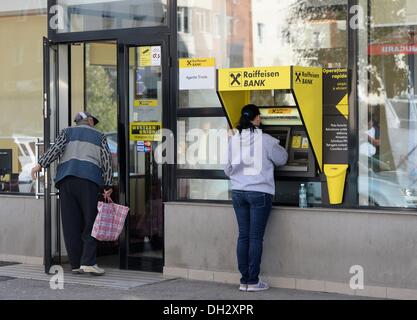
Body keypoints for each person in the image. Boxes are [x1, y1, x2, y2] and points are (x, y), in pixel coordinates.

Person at [31, 111, 113, 276]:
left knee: (70, 224)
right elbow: (106, 161)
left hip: (66, 181)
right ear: (89, 120)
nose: (93, 124)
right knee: (90, 221)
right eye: (93, 121)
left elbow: (55, 149)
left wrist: (40, 164)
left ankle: (76, 264)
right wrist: (107, 185)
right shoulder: (100, 136)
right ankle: (88, 262)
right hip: (88, 180)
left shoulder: (67, 132)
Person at [224, 104, 288, 292]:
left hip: (238, 192)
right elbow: (282, 159)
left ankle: (244, 280)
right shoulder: (267, 140)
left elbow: (227, 169)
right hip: (260, 192)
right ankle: (253, 281)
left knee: (243, 235)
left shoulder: (234, 140)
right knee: (255, 237)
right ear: (257, 119)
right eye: (259, 116)